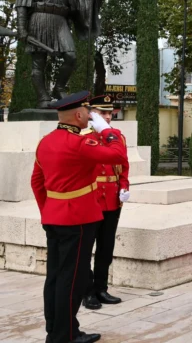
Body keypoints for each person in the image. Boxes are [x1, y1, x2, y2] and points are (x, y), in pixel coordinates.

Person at [31, 91, 128, 343]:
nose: (91, 115)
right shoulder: (79, 144)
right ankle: (64, 336)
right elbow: (117, 154)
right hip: (79, 220)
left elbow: (37, 182)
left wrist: (49, 210)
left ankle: (56, 329)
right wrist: (108, 130)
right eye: (88, 112)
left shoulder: (46, 142)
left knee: (54, 276)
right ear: (78, 115)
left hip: (54, 218)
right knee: (73, 280)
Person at [82, 95, 129, 311]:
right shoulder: (84, 137)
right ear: (93, 114)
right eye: (103, 113)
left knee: (106, 247)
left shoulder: (118, 138)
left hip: (112, 198)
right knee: (85, 248)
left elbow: (123, 164)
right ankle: (87, 291)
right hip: (92, 199)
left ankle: (101, 288)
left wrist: (124, 186)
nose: (108, 117)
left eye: (110, 113)